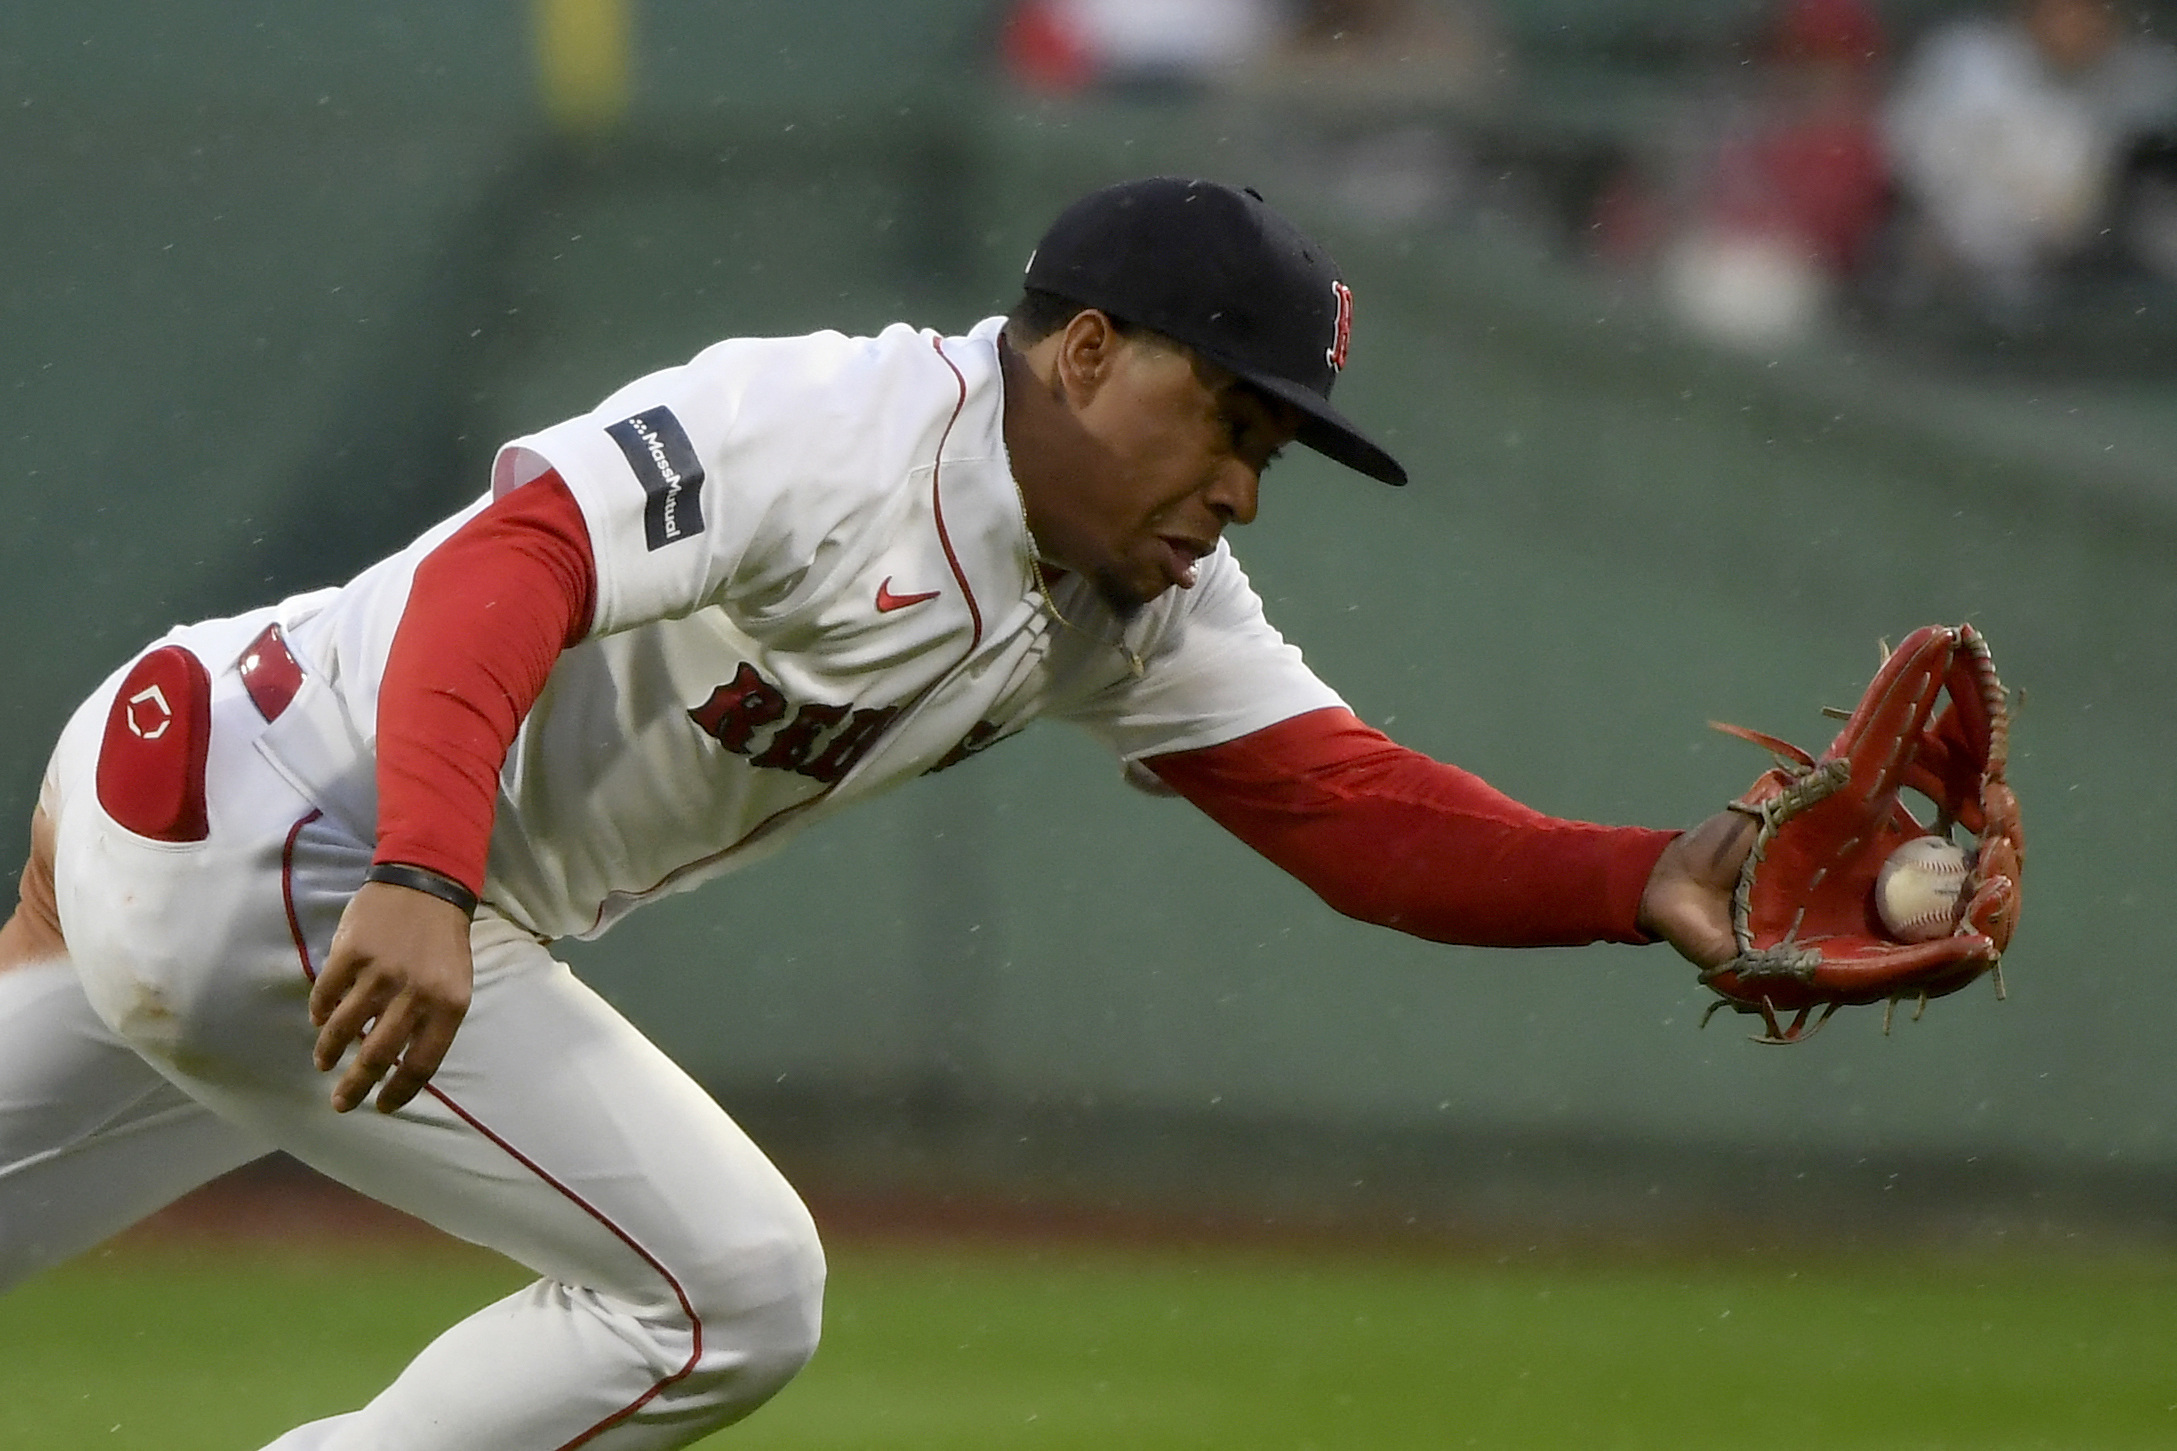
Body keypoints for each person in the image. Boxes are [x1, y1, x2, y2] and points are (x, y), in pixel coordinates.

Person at [0, 176, 1752, 1449]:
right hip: (311, 847)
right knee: (728, 1294)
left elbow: (1350, 808)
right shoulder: (831, 428)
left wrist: (1645, 876)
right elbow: (507, 563)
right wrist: (423, 870)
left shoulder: (1135, 596)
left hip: (197, 792)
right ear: (1079, 352)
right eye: (1225, 414)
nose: (1238, 485)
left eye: (1271, 452)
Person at [1882, 0, 2177, 320]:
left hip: (2104, 274)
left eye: (2092, 11)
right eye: (2064, 11)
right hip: (1975, 276)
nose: (2078, 24)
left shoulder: (2147, 78)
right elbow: (1916, 168)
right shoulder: (1966, 68)